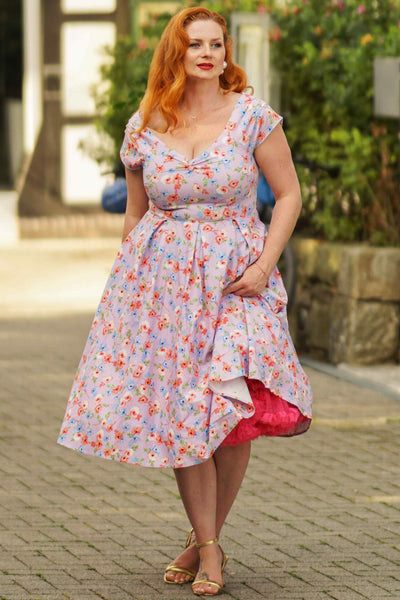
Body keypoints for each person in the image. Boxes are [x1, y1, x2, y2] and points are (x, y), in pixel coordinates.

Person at [58, 6, 312, 596]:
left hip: (236, 280)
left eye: (216, 44)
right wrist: (123, 290)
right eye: (195, 44)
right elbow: (136, 214)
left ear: (226, 52)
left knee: (229, 412)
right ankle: (209, 544)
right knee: (183, 413)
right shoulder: (146, 122)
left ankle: (206, 541)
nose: (207, 53)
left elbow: (290, 193)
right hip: (163, 289)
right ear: (176, 52)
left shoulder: (252, 115)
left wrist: (265, 263)